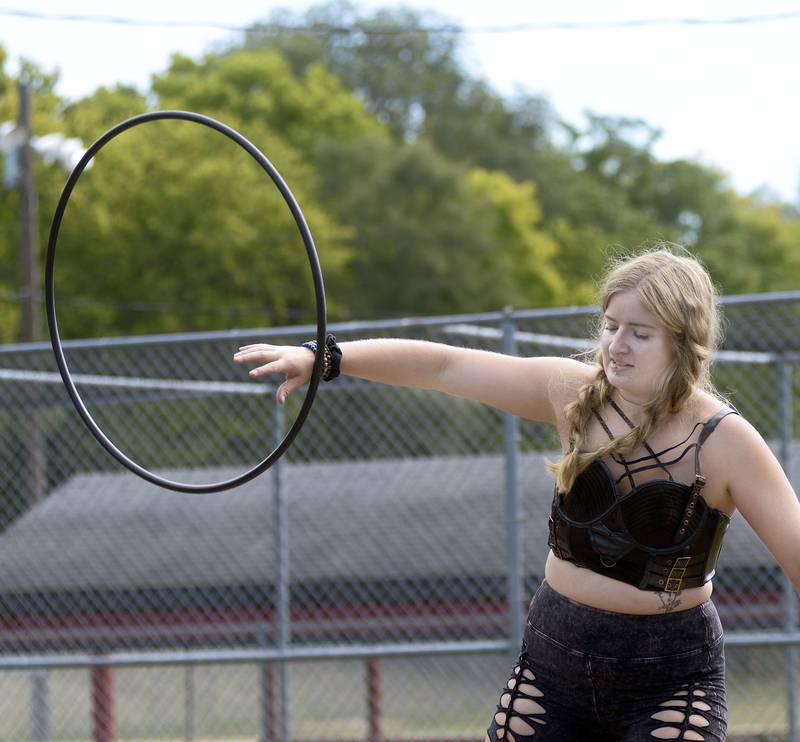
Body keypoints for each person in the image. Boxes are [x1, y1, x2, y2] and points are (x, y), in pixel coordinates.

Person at [233, 246, 800, 741]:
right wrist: (325, 358)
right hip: (554, 658)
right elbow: (446, 365)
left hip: (669, 675)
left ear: (684, 343)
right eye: (610, 326)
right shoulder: (576, 395)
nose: (616, 345)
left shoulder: (725, 441)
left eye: (640, 333)